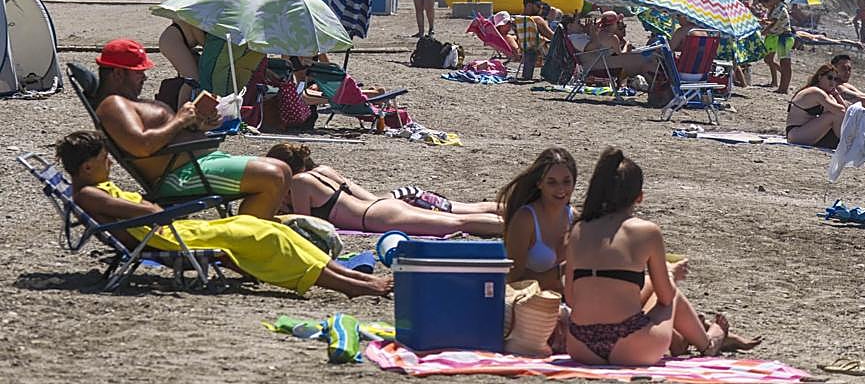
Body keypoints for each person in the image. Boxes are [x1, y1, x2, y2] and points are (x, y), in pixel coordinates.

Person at [55, 131, 391, 297]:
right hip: (170, 237)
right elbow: (146, 212)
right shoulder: (89, 195)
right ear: (86, 167)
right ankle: (352, 285)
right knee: (266, 236)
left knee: (271, 229)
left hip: (171, 232)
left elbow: (145, 210)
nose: (110, 162)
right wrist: (151, 207)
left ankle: (356, 280)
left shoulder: (92, 190)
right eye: (104, 159)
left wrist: (151, 208)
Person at [564, 148, 758, 365]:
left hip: (580, 345)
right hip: (630, 347)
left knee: (645, 283)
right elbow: (665, 297)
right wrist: (670, 272)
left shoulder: (578, 230)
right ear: (639, 197)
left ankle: (682, 340)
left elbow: (571, 298)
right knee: (671, 292)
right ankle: (708, 344)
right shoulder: (646, 231)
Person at [93, 39, 291, 218]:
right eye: (138, 73)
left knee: (283, 171)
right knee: (274, 176)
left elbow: (164, 136)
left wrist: (199, 125)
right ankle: (247, 243)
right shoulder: (113, 105)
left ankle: (251, 237)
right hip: (178, 177)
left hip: (197, 164)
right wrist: (180, 120)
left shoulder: (128, 102)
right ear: (118, 74)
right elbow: (142, 145)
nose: (144, 77)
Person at [266, 143, 503, 236]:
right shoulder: (322, 171)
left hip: (376, 218)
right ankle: (524, 221)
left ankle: (525, 228)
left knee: (459, 224)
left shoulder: (298, 183)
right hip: (382, 206)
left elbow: (305, 224)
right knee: (459, 218)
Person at [498, 147, 578, 293]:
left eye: (566, 182)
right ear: (539, 183)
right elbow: (514, 281)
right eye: (552, 182)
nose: (561, 189)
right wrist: (559, 272)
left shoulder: (574, 218)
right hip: (529, 306)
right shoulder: (525, 220)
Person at [785, 64, 848, 148]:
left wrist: (835, 94)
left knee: (833, 116)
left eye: (835, 79)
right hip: (796, 134)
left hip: (803, 132)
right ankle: (846, 144)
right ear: (820, 77)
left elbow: (845, 111)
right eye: (829, 78)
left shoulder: (824, 93)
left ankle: (844, 142)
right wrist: (836, 95)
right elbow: (841, 111)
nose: (832, 82)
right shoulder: (816, 92)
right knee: (833, 115)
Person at [586, 11, 663, 78]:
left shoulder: (598, 33)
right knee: (644, 61)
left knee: (641, 59)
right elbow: (621, 54)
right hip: (607, 68)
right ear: (614, 24)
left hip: (595, 65)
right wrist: (627, 45)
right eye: (617, 24)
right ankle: (657, 81)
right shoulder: (612, 37)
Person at [513, 0, 557, 80]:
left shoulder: (517, 20)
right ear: (529, 5)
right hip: (541, 49)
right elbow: (553, 37)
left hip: (524, 49)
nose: (540, 8)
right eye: (538, 5)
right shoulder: (536, 20)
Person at [760, 0, 793, 94]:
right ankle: (782, 88)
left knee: (785, 64)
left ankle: (784, 88)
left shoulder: (780, 8)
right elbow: (772, 20)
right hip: (782, 37)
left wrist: (764, 31)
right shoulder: (779, 7)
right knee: (784, 63)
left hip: (784, 36)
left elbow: (773, 22)